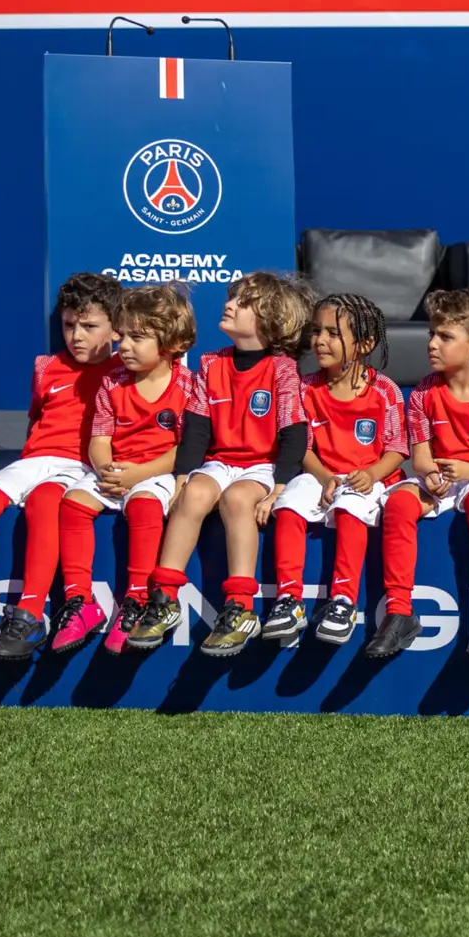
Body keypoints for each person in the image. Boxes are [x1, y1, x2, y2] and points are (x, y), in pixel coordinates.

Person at [132, 271, 315, 658]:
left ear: (271, 321)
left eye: (242, 302)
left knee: (236, 500)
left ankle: (240, 607)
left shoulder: (281, 369)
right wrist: (182, 479)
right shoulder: (212, 363)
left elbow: (294, 435)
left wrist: (279, 489)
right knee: (195, 494)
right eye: (232, 298)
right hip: (220, 461)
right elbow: (196, 429)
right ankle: (164, 598)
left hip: (262, 467)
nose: (228, 304)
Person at [53, 285, 198, 654]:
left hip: (158, 473)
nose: (124, 347)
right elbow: (99, 439)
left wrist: (139, 474)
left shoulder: (187, 385)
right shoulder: (111, 382)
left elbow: (186, 449)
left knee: (145, 506)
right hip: (115, 473)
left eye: (137, 337)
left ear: (170, 344)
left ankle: (134, 603)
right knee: (72, 503)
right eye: (122, 336)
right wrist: (107, 470)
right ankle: (80, 601)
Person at [0, 273, 122, 659]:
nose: (76, 335)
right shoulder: (46, 366)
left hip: (78, 465)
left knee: (46, 503)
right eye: (68, 324)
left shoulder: (123, 372)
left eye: (89, 326)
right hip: (34, 460)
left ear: (117, 328)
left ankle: (29, 616)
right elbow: (36, 420)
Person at [264, 293, 406, 647]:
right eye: (316, 331)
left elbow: (397, 450)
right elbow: (304, 448)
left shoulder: (385, 391)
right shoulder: (305, 388)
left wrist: (371, 474)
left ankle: (343, 601)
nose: (320, 341)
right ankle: (288, 600)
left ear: (365, 343)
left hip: (368, 477)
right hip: (321, 475)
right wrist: (325, 476)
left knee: (349, 506)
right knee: (290, 503)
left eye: (333, 333)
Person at [374, 288, 469, 661]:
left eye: (445, 336)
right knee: (399, 503)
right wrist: (431, 475)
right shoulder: (421, 394)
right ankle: (399, 612)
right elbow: (419, 458)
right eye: (432, 334)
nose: (432, 343)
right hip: (440, 482)